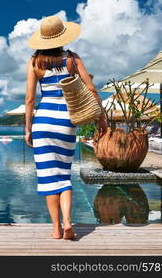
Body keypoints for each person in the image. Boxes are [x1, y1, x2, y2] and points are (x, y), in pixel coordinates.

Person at [25, 15, 107, 240]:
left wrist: (28, 129)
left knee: (48, 176)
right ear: (62, 37)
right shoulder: (72, 59)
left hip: (42, 122)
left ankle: (56, 229)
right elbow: (91, 90)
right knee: (64, 175)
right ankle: (68, 221)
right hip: (66, 123)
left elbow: (30, 100)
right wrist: (101, 119)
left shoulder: (35, 62)